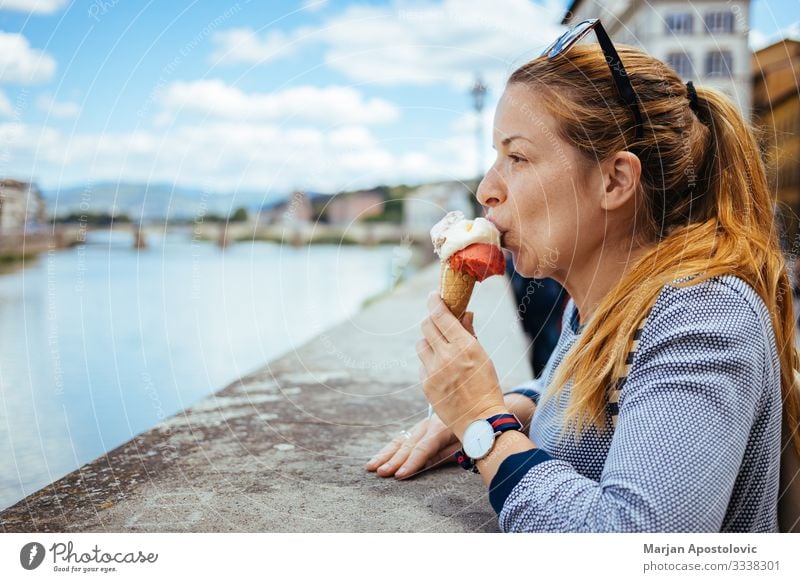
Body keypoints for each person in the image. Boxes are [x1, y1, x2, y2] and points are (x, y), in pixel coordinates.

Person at [365, 19, 800, 532]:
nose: (486, 189)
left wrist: (484, 426)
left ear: (614, 180)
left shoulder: (704, 312)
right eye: (495, 157)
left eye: (518, 157)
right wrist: (508, 405)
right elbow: (595, 393)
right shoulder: (605, 297)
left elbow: (636, 544)